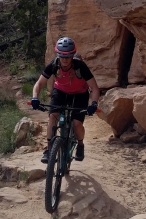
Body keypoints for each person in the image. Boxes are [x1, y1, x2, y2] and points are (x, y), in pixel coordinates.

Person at [31, 36, 100, 164]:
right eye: (62, 56)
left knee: (76, 123)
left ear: (72, 55)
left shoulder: (80, 66)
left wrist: (94, 104)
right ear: (58, 54)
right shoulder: (54, 64)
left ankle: (80, 144)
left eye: (68, 56)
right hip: (61, 92)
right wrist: (35, 97)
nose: (65, 59)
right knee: (53, 116)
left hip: (80, 93)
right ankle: (49, 148)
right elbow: (39, 84)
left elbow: (94, 88)